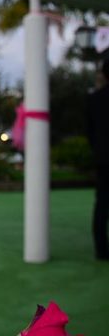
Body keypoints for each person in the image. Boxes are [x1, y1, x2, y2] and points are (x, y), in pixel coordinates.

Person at [87, 59, 109, 260]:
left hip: (103, 158)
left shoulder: (95, 99)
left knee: (102, 204)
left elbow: (90, 132)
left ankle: (101, 249)